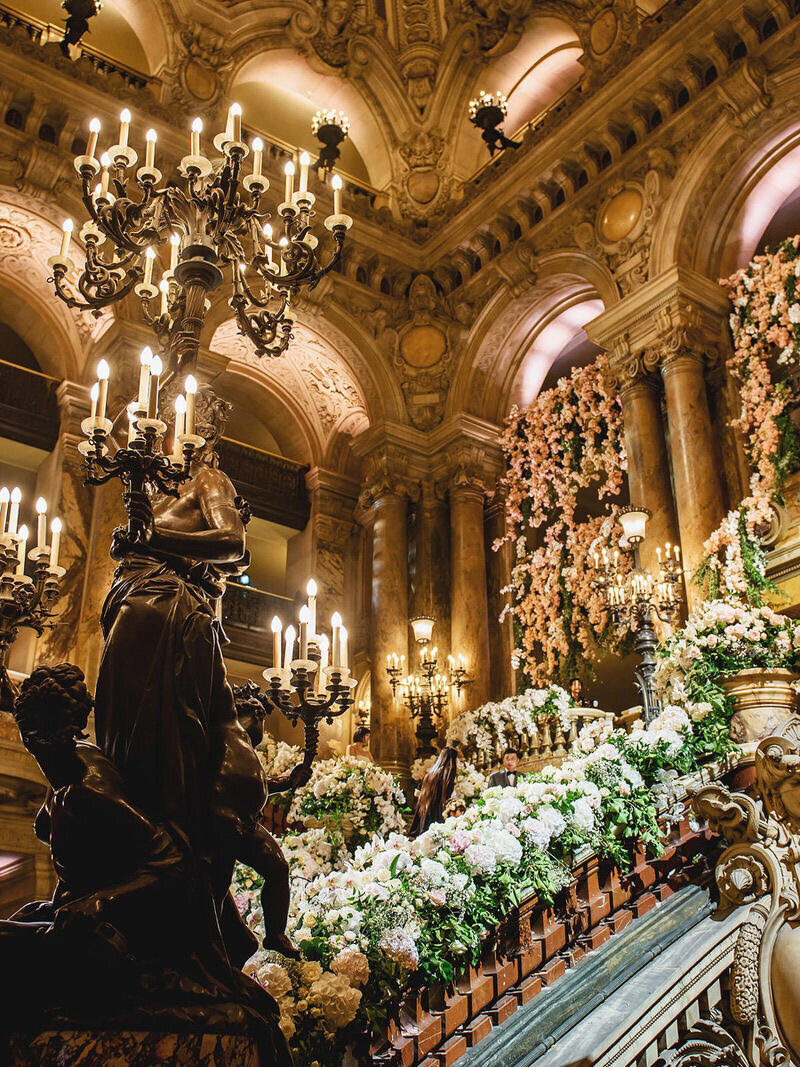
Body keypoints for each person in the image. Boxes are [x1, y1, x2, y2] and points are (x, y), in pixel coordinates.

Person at [409, 747, 458, 836]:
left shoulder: (431, 774)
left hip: (425, 814)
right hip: (438, 815)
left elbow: (417, 793)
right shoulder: (448, 773)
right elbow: (447, 797)